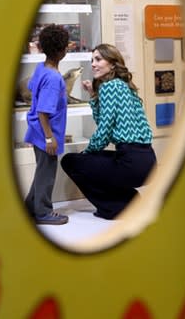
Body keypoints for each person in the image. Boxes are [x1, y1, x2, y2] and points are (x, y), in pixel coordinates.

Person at [61, 43, 157, 220]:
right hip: (147, 162)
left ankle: (114, 208)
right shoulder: (123, 86)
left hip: (130, 163)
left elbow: (104, 131)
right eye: (92, 60)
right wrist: (92, 94)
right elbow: (105, 122)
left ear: (112, 64)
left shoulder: (109, 87)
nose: (93, 64)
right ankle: (130, 201)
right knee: (93, 161)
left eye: (98, 59)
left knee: (70, 162)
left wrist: (86, 153)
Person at [24, 25, 70, 225]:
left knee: (42, 171)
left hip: (36, 131)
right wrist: (50, 137)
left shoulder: (41, 68)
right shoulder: (53, 78)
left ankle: (30, 207)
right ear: (62, 51)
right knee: (47, 173)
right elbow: (44, 110)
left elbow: (30, 86)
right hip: (46, 134)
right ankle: (43, 212)